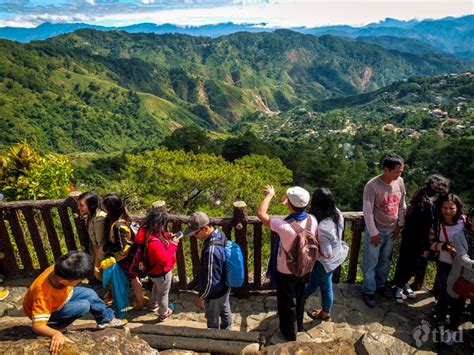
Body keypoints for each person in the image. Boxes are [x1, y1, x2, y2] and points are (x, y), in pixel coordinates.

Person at [23, 251, 127, 355]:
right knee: (83, 305)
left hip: (63, 297)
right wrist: (55, 334)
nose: (81, 281)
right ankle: (56, 326)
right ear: (64, 281)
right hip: (50, 311)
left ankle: (105, 320)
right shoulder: (43, 295)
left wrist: (89, 271)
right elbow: (37, 326)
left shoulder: (62, 268)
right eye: (79, 280)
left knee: (90, 293)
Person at [257, 185, 317, 341]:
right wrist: (290, 205)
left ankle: (289, 333)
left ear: (290, 205)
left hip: (286, 270)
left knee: (287, 302)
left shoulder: (282, 225)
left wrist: (270, 195)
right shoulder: (313, 220)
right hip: (305, 267)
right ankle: (299, 324)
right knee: (300, 296)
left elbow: (260, 214)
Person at [392, 175, 449, 304]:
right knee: (410, 264)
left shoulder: (421, 199)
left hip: (411, 239)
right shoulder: (427, 204)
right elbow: (423, 227)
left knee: (408, 263)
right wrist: (425, 247)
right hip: (417, 241)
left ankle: (403, 285)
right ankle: (399, 287)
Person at [362, 153, 406, 308]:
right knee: (371, 261)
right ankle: (368, 290)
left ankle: (380, 285)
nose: (399, 174)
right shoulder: (372, 186)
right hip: (377, 230)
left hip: (392, 229)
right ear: (386, 169)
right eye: (396, 171)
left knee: (385, 261)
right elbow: (367, 211)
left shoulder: (399, 182)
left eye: (400, 171)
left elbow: (402, 204)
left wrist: (399, 225)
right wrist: (373, 233)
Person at [305, 188, 348, 320]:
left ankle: (325, 313)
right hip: (338, 252)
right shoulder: (337, 213)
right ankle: (300, 297)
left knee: (326, 287)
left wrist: (313, 247)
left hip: (325, 262)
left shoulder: (323, 227)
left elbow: (327, 253)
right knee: (313, 281)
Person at [185, 211, 232, 330]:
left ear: (205, 229)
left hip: (215, 293)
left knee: (213, 318)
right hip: (224, 285)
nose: (194, 237)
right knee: (225, 310)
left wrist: (202, 297)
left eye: (195, 233)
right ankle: (228, 330)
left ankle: (213, 337)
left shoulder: (211, 250)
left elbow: (211, 280)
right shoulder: (219, 234)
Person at [101, 193, 147, 310]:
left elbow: (120, 246)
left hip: (125, 258)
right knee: (133, 277)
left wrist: (106, 249)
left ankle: (141, 301)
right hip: (130, 255)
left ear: (109, 208)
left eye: (104, 205)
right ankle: (140, 298)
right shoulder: (123, 218)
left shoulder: (117, 225)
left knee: (133, 278)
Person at [134, 208, 180, 321]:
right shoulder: (154, 243)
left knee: (156, 287)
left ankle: (153, 304)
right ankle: (164, 313)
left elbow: (159, 234)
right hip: (161, 272)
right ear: (159, 224)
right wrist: (174, 244)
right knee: (164, 293)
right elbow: (164, 260)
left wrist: (168, 235)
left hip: (151, 270)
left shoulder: (145, 232)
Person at [430, 193, 465, 324]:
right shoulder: (437, 224)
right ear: (440, 208)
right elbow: (431, 244)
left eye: (451, 208)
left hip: (462, 265)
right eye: (445, 208)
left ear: (457, 208)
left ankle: (454, 317)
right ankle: (440, 316)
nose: (448, 211)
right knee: (445, 290)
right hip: (444, 263)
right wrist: (444, 246)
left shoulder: (464, 221)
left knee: (459, 291)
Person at [445, 207, 474, 345]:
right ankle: (452, 330)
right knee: (458, 305)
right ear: (470, 219)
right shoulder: (459, 235)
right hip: (463, 275)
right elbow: (462, 257)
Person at [77, 191, 107, 280]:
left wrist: (98, 261)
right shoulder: (89, 216)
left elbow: (101, 242)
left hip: (101, 252)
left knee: (101, 275)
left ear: (91, 205)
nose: (79, 208)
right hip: (95, 251)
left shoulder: (99, 219)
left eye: (81, 205)